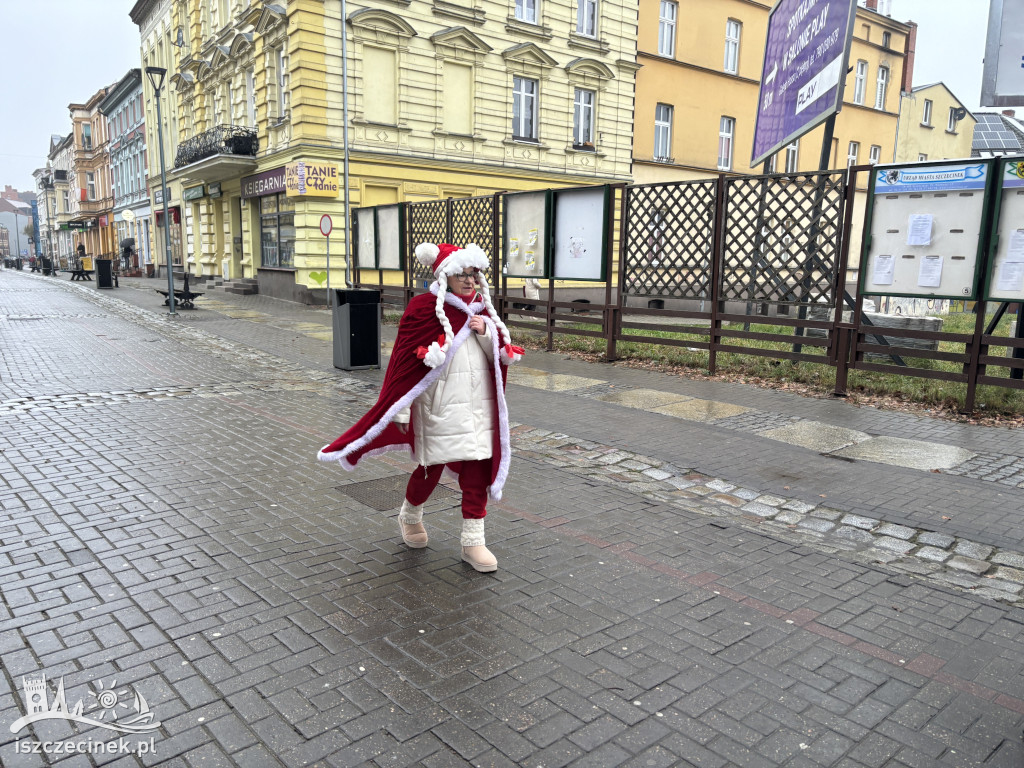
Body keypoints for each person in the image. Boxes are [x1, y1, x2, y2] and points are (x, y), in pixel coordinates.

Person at [318, 242, 523, 572]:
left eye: (474, 274)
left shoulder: (485, 313)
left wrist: (487, 334)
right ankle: (410, 513)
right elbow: (403, 366)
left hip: (479, 408)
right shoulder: (424, 309)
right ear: (445, 276)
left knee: (476, 474)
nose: (469, 281)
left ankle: (473, 542)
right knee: (431, 469)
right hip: (436, 408)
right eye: (461, 274)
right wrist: (400, 410)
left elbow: (502, 356)